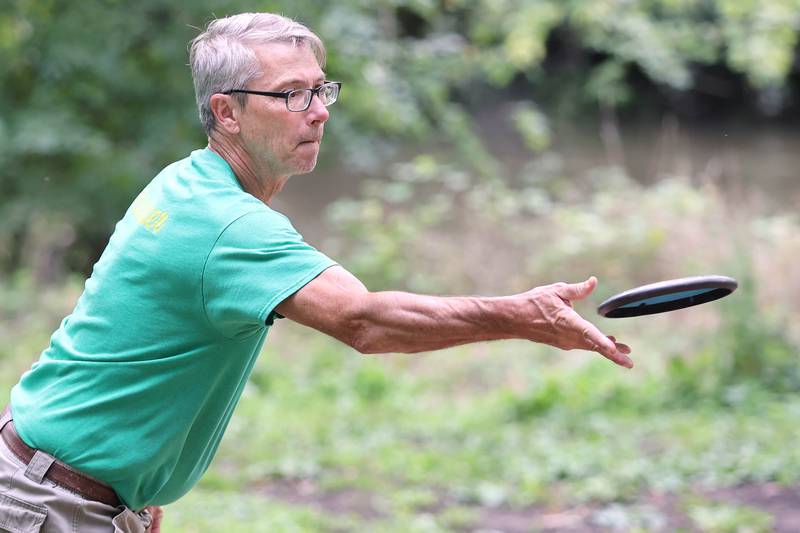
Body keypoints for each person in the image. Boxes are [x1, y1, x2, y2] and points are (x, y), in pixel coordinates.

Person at [0, 12, 633, 532]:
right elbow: (364, 320)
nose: (319, 110)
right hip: (51, 505)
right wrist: (521, 316)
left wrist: (135, 488)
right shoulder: (227, 223)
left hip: (54, 483)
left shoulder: (185, 183)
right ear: (226, 112)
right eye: (291, 94)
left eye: (320, 88)